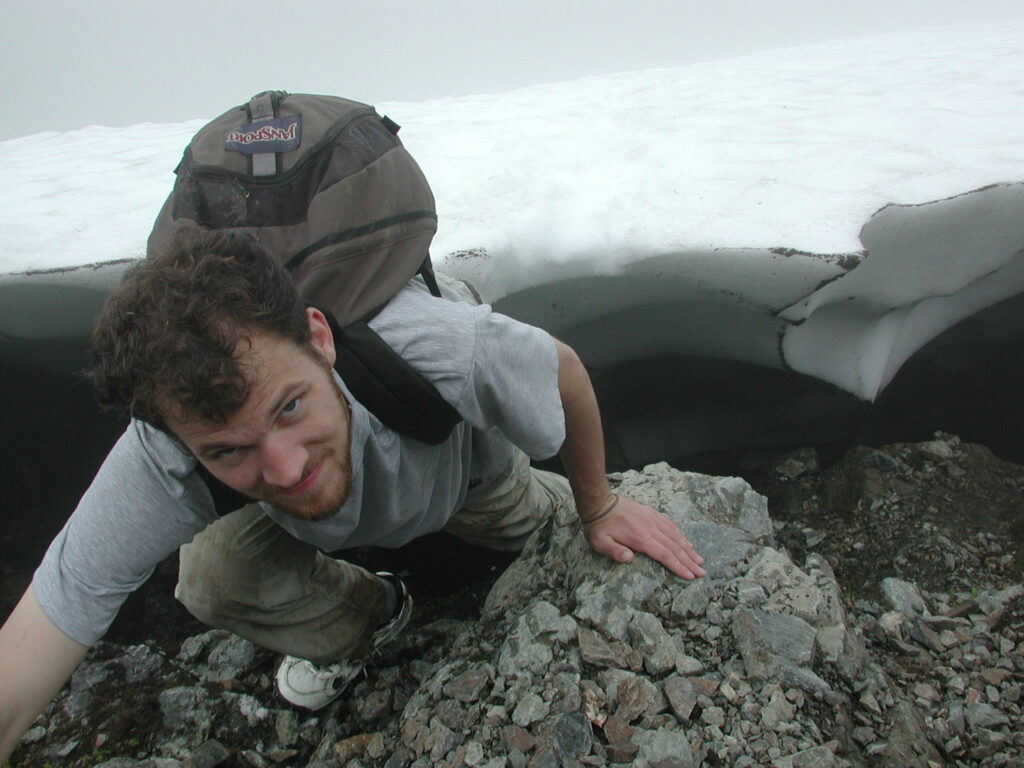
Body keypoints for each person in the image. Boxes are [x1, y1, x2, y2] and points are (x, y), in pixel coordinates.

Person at [0, 229, 704, 758]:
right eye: (227, 450)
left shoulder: (441, 347)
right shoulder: (167, 449)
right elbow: (56, 607)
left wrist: (599, 505)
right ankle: (377, 611)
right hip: (291, 529)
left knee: (539, 527)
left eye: (288, 408)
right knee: (210, 578)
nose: (281, 468)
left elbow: (565, 371)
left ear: (318, 337)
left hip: (463, 477)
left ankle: (531, 517)